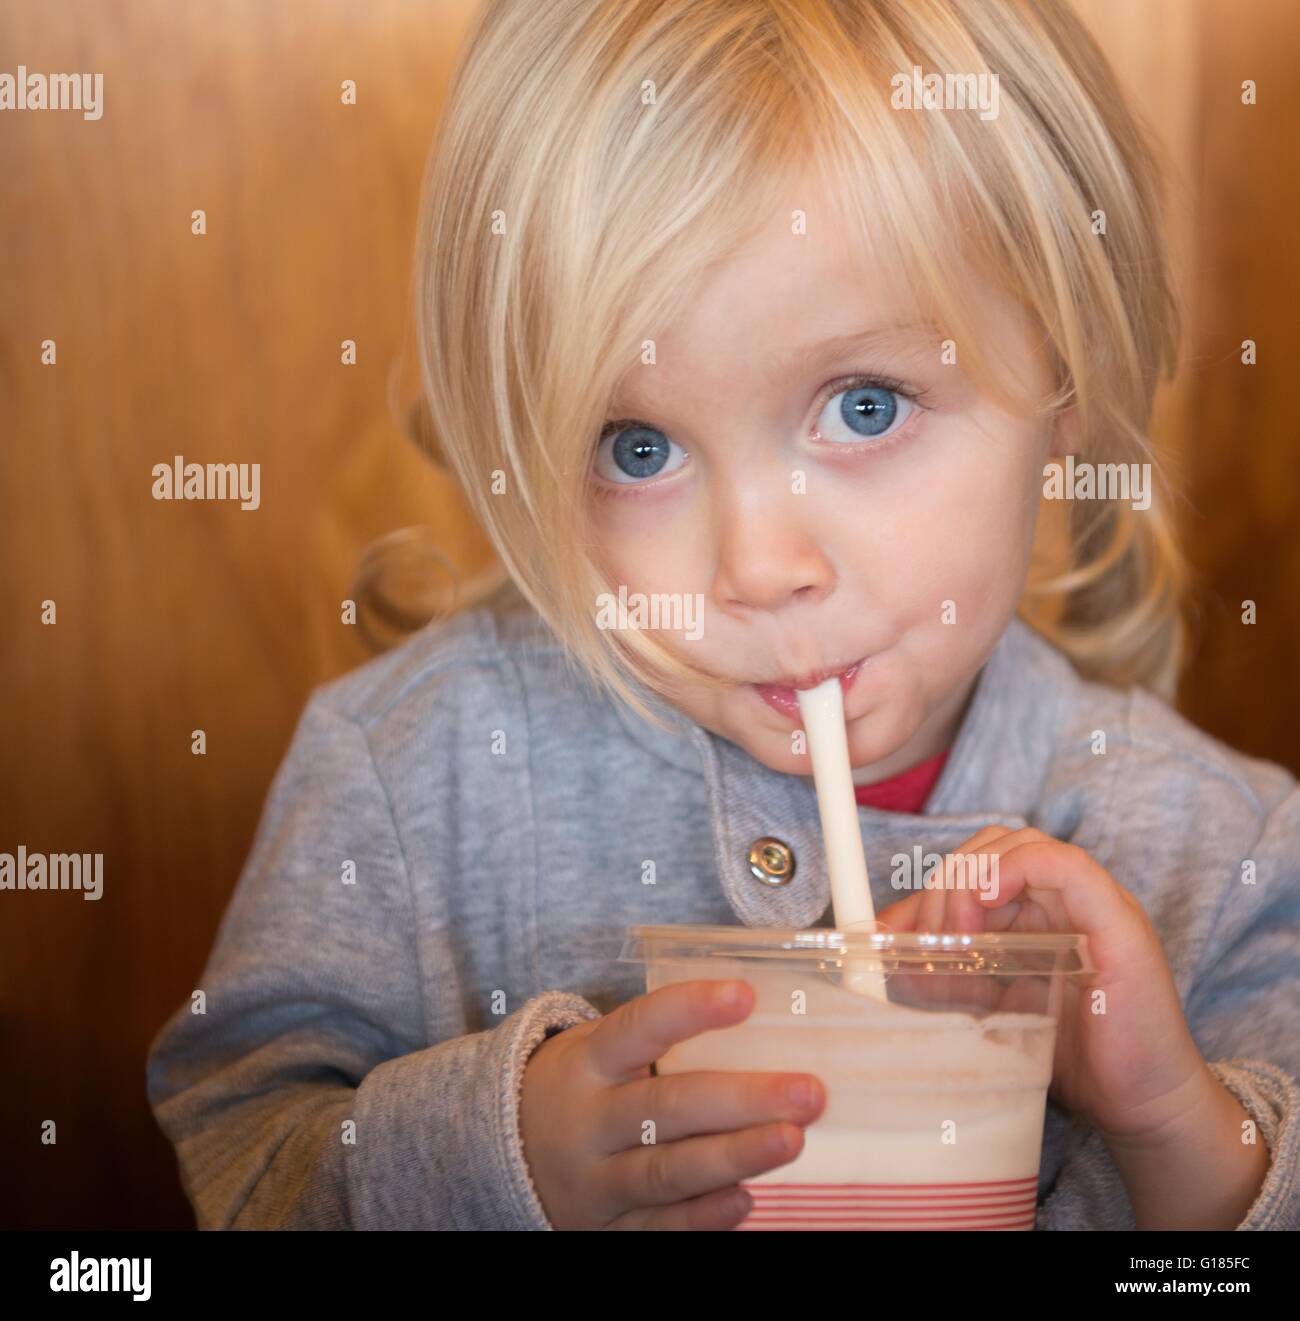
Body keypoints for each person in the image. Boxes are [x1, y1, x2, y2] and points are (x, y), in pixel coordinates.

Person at [146, 0, 1299, 1230]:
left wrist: (1179, 1128)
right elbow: (244, 1149)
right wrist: (497, 1161)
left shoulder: (1219, 854)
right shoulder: (413, 771)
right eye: (637, 448)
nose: (759, 565)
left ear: (1064, 379)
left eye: (864, 406)